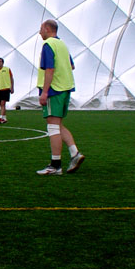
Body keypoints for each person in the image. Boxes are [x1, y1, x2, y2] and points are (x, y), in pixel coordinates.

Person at [35, 20, 85, 175]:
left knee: (52, 127)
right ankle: (75, 153)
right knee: (58, 125)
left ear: (47, 29)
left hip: (54, 90)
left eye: (41, 29)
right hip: (65, 88)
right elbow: (71, 66)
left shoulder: (48, 44)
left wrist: (45, 92)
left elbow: (49, 69)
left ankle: (55, 165)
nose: (39, 32)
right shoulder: (62, 45)